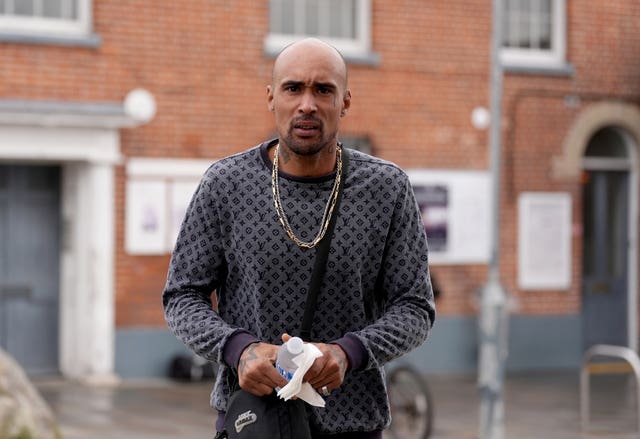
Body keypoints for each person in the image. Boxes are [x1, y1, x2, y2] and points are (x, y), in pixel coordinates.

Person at [162, 38, 436, 439]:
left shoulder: (387, 188)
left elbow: (415, 307)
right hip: (254, 421)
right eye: (294, 88)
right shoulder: (226, 184)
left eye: (323, 89)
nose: (307, 103)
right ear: (272, 98)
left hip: (353, 424)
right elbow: (181, 296)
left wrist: (348, 353)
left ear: (345, 101)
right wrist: (240, 350)